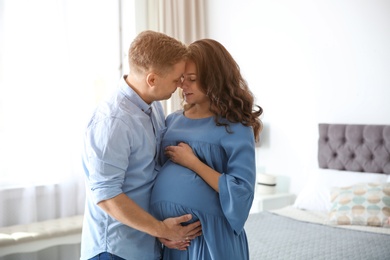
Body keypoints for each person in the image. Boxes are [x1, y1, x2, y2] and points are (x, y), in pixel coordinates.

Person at [80, 30, 202, 260]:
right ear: (152, 79)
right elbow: (107, 196)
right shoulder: (113, 122)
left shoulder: (152, 106)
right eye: (176, 79)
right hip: (115, 250)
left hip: (146, 243)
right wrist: (162, 229)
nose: (180, 85)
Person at [150, 38, 263, 259]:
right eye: (182, 79)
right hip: (175, 243)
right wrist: (159, 230)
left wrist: (193, 163)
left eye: (192, 79)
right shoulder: (172, 121)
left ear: (214, 80)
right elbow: (152, 176)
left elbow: (241, 192)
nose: (184, 86)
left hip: (213, 239)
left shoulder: (236, 127)